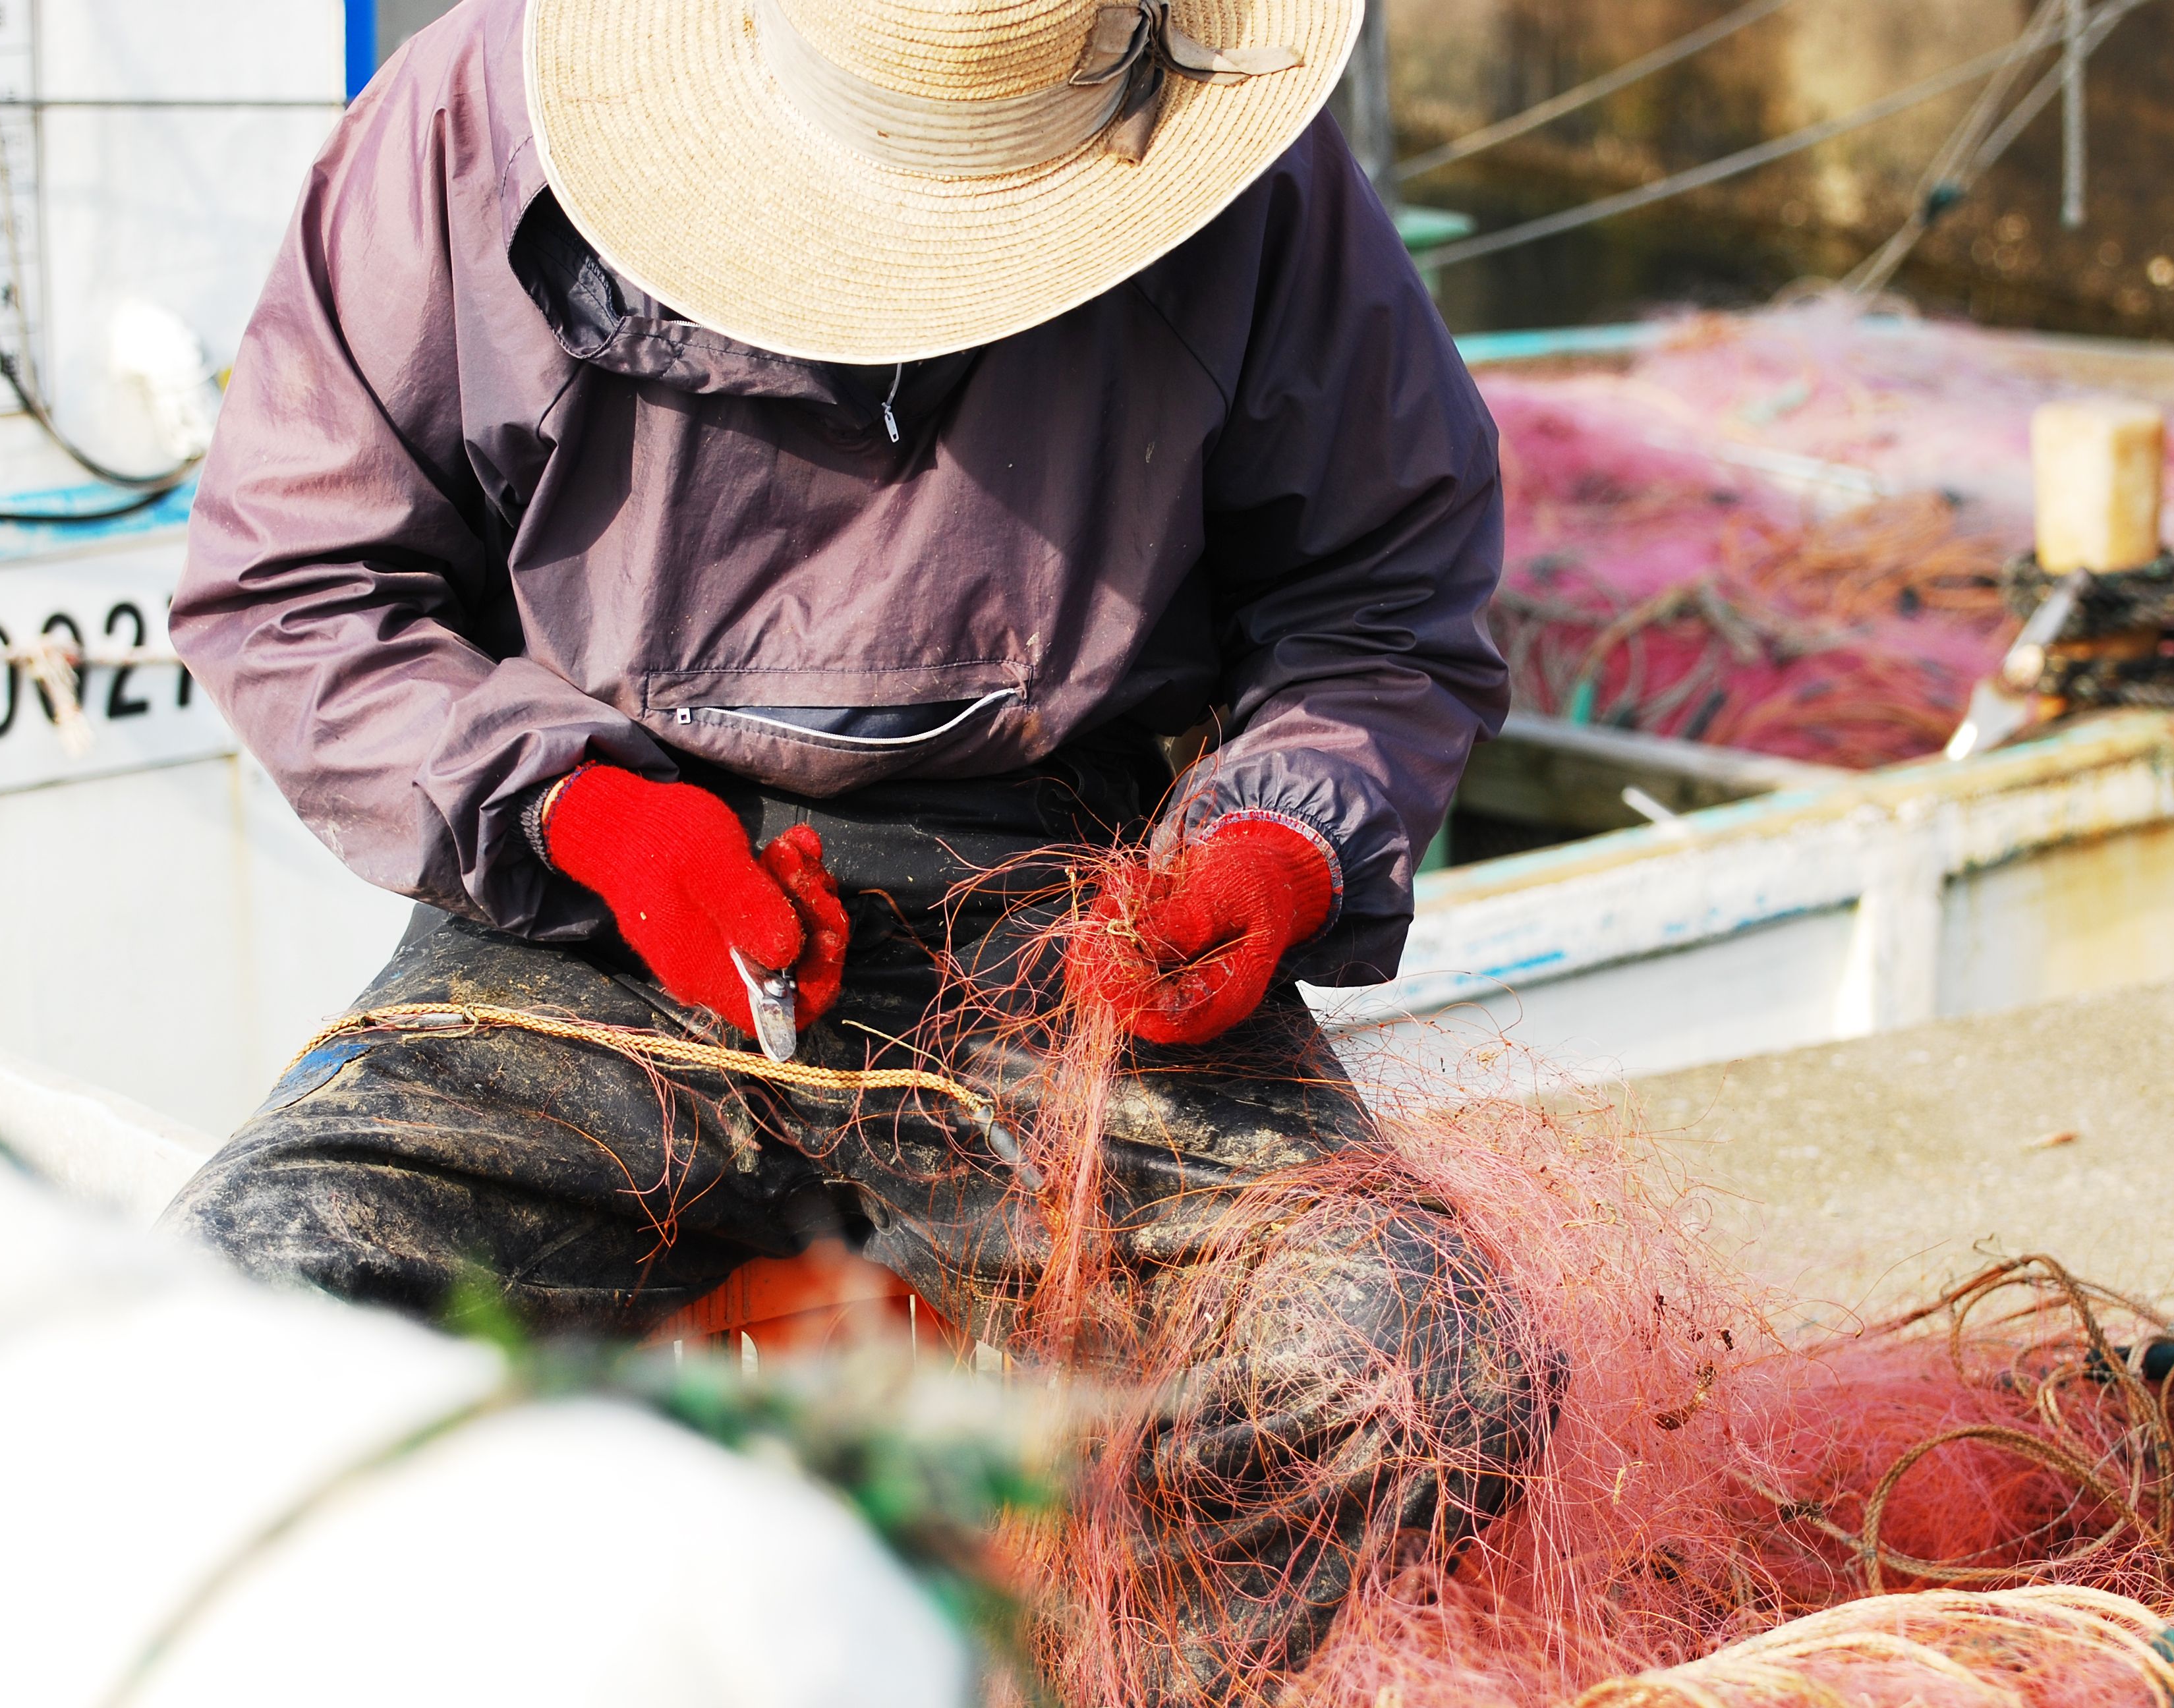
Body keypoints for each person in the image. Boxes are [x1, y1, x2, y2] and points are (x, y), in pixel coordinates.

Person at [163, 0, 1548, 1696]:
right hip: (587, 902)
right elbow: (298, 583)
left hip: (1063, 906)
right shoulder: (473, 115)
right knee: (220, 1348)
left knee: (1417, 1368)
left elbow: (1383, 609)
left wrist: (1272, 847)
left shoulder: (1249, 165)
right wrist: (587, 819)